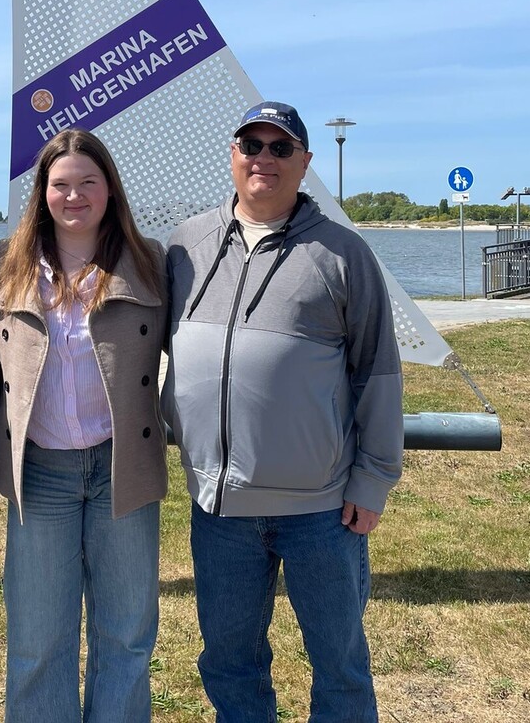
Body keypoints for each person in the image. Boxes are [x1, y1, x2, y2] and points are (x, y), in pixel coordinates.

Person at [162, 101, 403, 723]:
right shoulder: (187, 245)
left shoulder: (343, 253)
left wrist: (373, 479)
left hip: (320, 509)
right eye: (251, 145)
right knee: (228, 662)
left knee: (340, 665)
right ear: (233, 155)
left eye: (279, 147)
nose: (263, 158)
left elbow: (377, 371)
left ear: (305, 162)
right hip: (219, 508)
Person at [0, 128, 168, 723]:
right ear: (42, 193)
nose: (74, 195)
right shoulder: (5, 265)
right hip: (40, 473)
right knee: (38, 640)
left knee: (126, 635)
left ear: (110, 190)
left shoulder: (150, 262)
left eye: (89, 182)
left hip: (123, 469)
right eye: (60, 184)